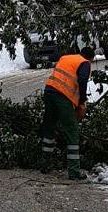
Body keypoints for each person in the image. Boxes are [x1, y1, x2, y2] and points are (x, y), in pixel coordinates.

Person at [39, 44, 95, 180]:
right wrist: (82, 101)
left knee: (49, 128)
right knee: (72, 131)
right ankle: (74, 171)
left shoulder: (66, 58)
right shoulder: (84, 63)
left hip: (49, 91)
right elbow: (82, 80)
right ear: (90, 58)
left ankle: (44, 164)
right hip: (62, 96)